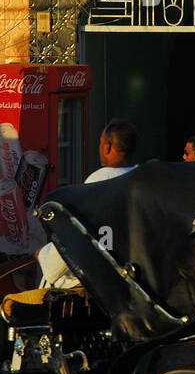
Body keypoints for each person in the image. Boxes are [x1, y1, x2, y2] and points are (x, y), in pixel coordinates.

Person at [37, 119, 137, 288]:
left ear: (107, 147)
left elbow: (79, 233)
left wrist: (45, 256)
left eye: (101, 143)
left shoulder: (99, 181)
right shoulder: (138, 177)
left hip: (98, 276)